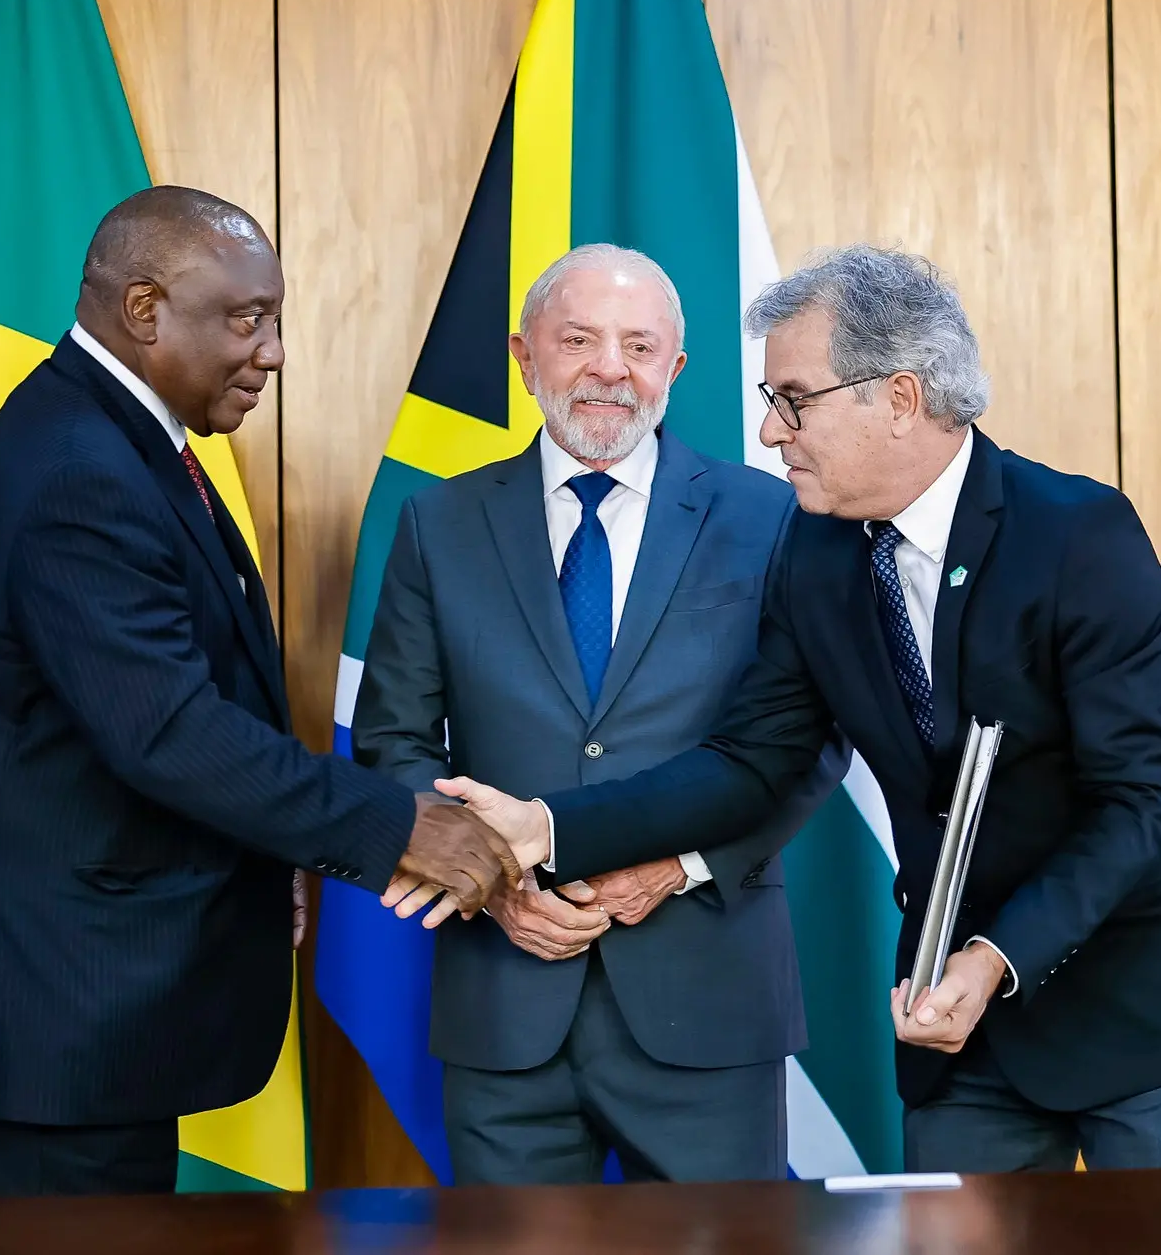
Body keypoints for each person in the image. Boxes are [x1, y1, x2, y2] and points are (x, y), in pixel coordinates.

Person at [415, 246, 1161, 1174]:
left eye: (793, 400)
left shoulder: (1077, 535)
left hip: (1141, 1006)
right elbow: (753, 760)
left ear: (898, 398)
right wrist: (547, 825)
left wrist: (993, 956)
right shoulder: (816, 554)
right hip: (955, 1032)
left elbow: (1140, 801)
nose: (770, 431)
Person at [0, 186, 521, 1198]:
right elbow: (168, 730)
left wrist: (272, 846)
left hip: (79, 1006)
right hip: (46, 1015)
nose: (272, 353)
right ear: (144, 310)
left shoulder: (114, 437)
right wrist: (399, 826)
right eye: (247, 320)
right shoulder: (79, 468)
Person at [354, 245, 846, 1184]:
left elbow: (814, 738)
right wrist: (493, 882)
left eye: (639, 346)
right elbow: (393, 742)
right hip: (504, 1004)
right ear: (524, 356)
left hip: (707, 999)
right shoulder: (437, 524)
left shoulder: (772, 516)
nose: (610, 369)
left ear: (676, 367)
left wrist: (678, 865)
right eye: (578, 340)